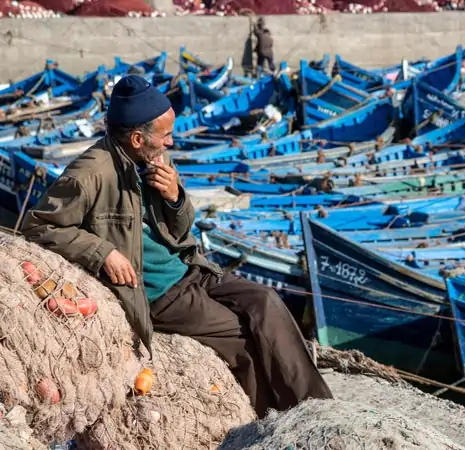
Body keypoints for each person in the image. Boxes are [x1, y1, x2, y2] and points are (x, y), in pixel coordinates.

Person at [20, 75, 333, 418]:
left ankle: (318, 410)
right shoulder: (90, 173)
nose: (171, 142)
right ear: (138, 138)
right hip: (160, 295)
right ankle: (276, 419)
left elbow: (182, 230)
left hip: (192, 269)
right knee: (242, 337)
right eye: (165, 135)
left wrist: (175, 198)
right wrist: (103, 252)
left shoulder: (154, 161)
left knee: (266, 302)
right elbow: (39, 226)